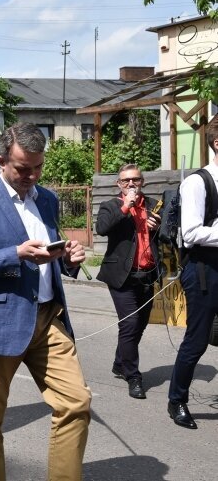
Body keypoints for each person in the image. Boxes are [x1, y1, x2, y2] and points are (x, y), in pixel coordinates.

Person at [0, 123, 91, 480]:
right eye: (22, 168)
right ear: (1, 160)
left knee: (76, 404)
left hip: (47, 319)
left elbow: (52, 252)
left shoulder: (47, 199)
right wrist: (15, 254)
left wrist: (69, 258)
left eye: (38, 167)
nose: (31, 175)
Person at [167, 115, 218, 430]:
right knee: (197, 340)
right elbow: (192, 232)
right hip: (203, 268)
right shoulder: (198, 182)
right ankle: (177, 400)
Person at [96, 164, 161, 400]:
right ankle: (133, 375)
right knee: (130, 323)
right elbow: (102, 228)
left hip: (147, 274)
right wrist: (126, 206)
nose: (131, 184)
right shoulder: (111, 205)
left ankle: (119, 362)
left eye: (135, 180)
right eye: (126, 181)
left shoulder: (154, 205)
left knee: (139, 324)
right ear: (119, 185)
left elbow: (167, 238)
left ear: (142, 181)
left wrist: (159, 228)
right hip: (121, 276)